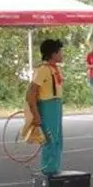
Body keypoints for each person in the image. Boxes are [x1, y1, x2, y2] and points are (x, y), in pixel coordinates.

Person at [26, 39, 65, 177]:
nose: (62, 54)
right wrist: (35, 114)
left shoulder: (57, 69)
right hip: (47, 106)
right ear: (53, 54)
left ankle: (54, 168)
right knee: (50, 139)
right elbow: (31, 93)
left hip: (57, 105)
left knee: (58, 139)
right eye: (60, 52)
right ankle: (48, 171)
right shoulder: (42, 70)